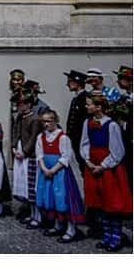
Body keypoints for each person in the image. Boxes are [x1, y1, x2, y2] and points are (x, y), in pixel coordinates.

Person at [80, 90, 132, 252]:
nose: (86, 107)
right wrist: (88, 161)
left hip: (109, 170)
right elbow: (84, 143)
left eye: (89, 104)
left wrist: (102, 165)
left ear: (98, 107)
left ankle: (116, 237)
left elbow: (118, 151)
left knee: (112, 203)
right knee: (100, 203)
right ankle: (106, 235)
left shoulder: (112, 126)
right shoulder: (87, 123)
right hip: (93, 166)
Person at [35, 110, 85, 243]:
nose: (46, 124)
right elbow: (39, 154)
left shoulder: (63, 138)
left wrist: (53, 170)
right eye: (44, 122)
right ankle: (58, 225)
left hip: (60, 173)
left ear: (55, 121)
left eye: (49, 121)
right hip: (46, 172)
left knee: (63, 199)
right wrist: (45, 169)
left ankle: (71, 229)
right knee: (51, 199)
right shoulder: (41, 137)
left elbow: (66, 157)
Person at [12, 91, 43, 228]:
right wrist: (13, 147)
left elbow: (34, 137)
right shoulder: (19, 117)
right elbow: (15, 132)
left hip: (29, 155)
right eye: (18, 103)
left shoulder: (35, 119)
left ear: (29, 104)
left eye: (22, 103)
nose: (19, 106)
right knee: (24, 184)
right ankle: (31, 213)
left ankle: (38, 216)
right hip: (19, 151)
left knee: (32, 186)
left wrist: (25, 152)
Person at [63, 70, 89, 172]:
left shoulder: (84, 98)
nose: (67, 84)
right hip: (74, 138)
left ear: (77, 83)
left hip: (81, 137)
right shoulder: (76, 99)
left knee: (83, 163)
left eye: (69, 81)